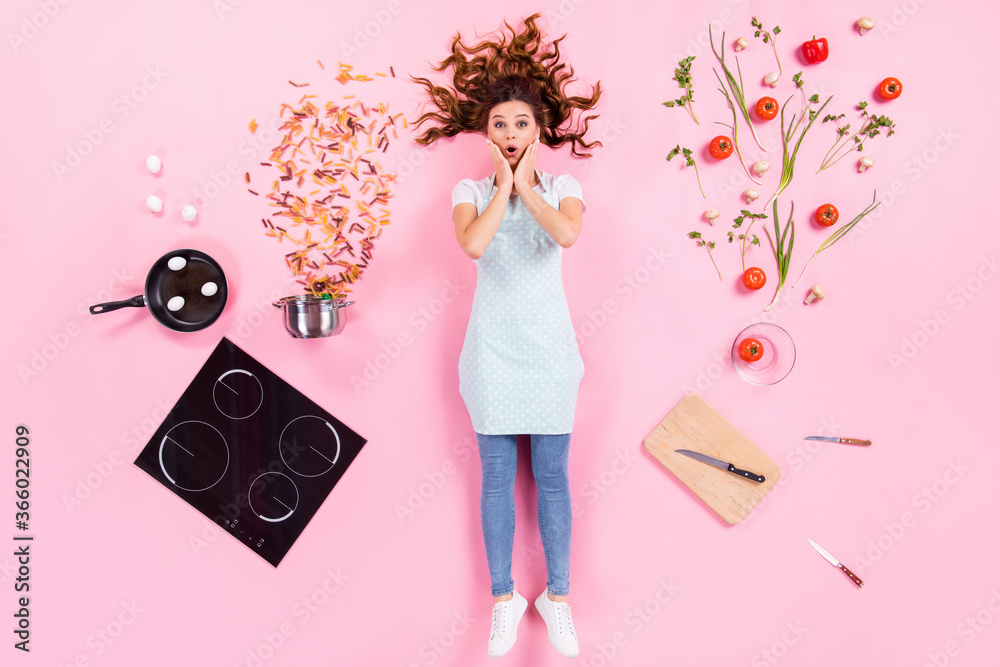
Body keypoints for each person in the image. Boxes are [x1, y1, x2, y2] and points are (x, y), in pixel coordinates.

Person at [414, 14, 601, 660]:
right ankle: (503, 598)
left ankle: (558, 596)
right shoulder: (468, 190)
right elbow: (473, 243)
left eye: (521, 123)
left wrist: (527, 185)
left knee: (553, 475)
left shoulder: (564, 188)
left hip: (550, 351)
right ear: (486, 133)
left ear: (539, 129)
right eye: (500, 124)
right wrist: (503, 186)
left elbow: (565, 234)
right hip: (491, 352)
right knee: (496, 475)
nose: (512, 132)